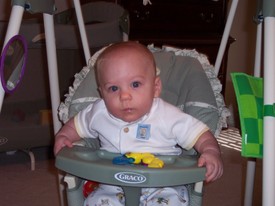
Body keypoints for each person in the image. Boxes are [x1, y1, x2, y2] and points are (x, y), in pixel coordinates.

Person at [54, 41, 223, 206]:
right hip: (111, 186)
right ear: (102, 93)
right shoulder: (98, 112)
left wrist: (210, 151)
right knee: (95, 202)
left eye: (135, 84)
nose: (124, 96)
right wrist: (63, 135)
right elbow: (75, 125)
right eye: (113, 88)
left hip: (163, 187)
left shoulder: (168, 115)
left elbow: (200, 134)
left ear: (155, 87)